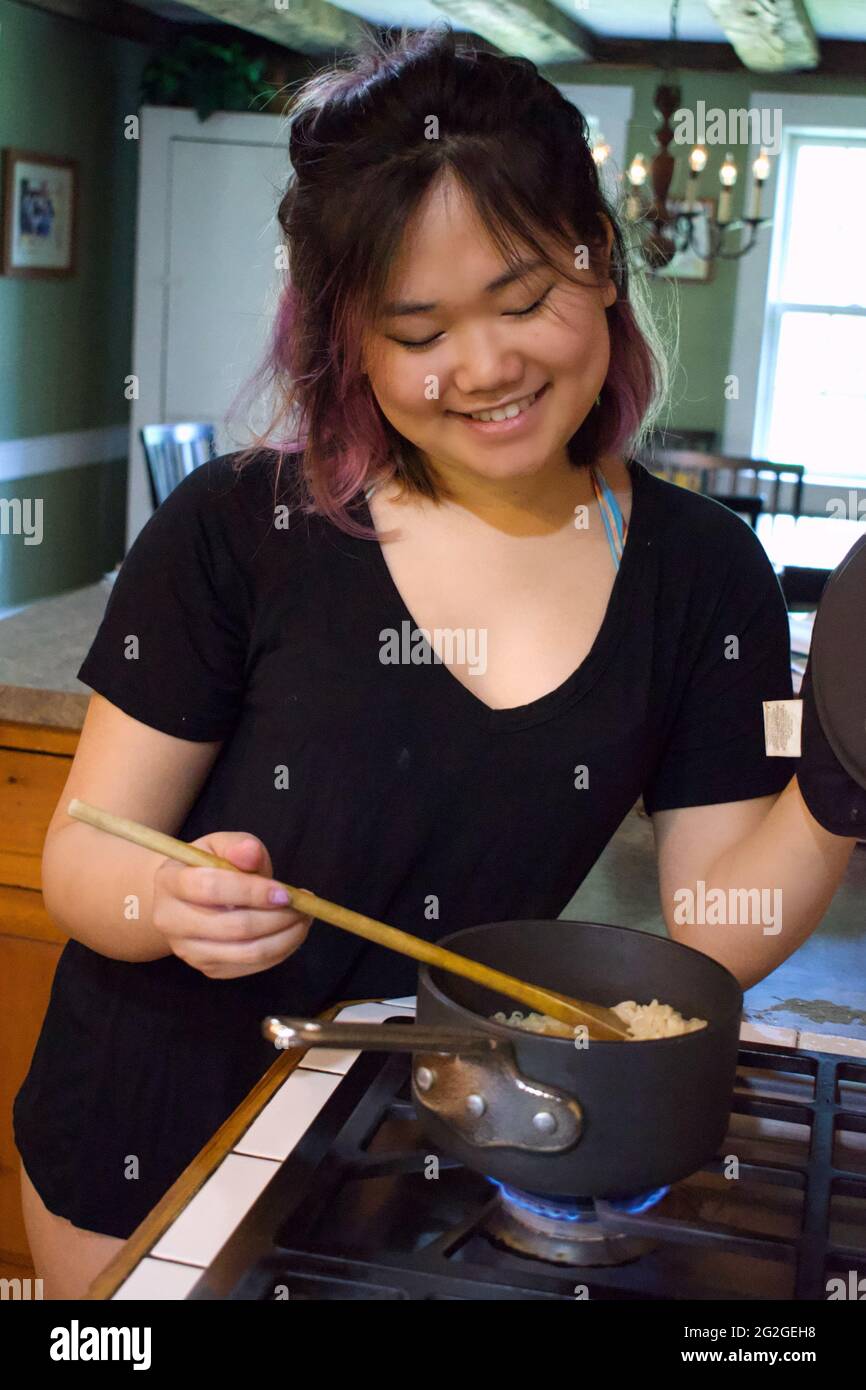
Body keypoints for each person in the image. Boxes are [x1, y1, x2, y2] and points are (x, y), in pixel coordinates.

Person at [14, 25, 859, 1299]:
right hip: (151, 1138)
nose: (485, 366)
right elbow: (80, 855)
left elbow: (705, 935)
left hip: (430, 1147)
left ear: (604, 263)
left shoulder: (699, 571)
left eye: (524, 300)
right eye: (417, 330)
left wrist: (839, 783)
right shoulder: (242, 528)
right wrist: (161, 904)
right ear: (346, 339)